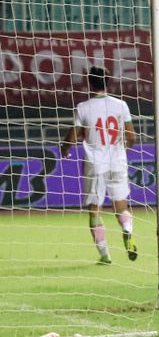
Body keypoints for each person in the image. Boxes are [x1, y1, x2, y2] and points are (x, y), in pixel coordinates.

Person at [60, 66, 138, 264]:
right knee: (121, 206)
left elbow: (73, 133)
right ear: (108, 80)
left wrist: (65, 149)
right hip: (117, 161)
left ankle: (105, 256)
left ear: (89, 82)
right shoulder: (121, 105)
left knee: (95, 210)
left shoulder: (83, 107)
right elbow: (132, 136)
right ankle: (127, 230)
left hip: (95, 163)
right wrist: (122, 152)